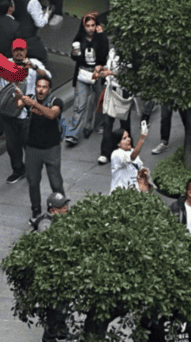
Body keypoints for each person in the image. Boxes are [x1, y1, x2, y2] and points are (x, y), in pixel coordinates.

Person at [0, 38, 52, 184]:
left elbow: (48, 78)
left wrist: (34, 68)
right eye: (16, 50)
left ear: (26, 50)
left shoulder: (34, 64)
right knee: (12, 146)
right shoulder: (5, 64)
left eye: (21, 50)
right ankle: (18, 170)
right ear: (12, 50)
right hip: (8, 112)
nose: (19, 53)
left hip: (27, 114)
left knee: (28, 144)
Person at [20, 77, 65, 222]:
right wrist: (17, 96)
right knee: (33, 182)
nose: (41, 89)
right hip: (32, 149)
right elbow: (15, 105)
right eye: (38, 86)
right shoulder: (29, 100)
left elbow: (52, 114)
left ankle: (61, 210)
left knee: (56, 183)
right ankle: (36, 211)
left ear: (49, 89)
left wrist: (33, 103)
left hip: (51, 149)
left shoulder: (56, 101)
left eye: (44, 87)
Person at [30, 192, 71, 342]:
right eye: (62, 206)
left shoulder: (59, 219)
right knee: (58, 305)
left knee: (65, 302)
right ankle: (47, 339)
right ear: (53, 209)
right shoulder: (46, 226)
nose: (66, 208)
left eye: (66, 204)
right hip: (52, 273)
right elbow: (49, 251)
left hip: (61, 269)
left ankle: (61, 331)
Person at [64, 12, 109, 145]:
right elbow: (74, 57)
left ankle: (96, 124)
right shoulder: (79, 39)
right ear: (83, 26)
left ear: (97, 26)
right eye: (87, 25)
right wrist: (75, 54)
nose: (90, 28)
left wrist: (101, 36)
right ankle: (72, 134)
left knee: (99, 101)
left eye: (93, 25)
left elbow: (103, 56)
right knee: (80, 105)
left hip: (97, 74)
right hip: (83, 74)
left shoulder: (101, 38)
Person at [95, 47, 133, 165]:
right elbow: (109, 68)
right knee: (107, 122)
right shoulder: (111, 51)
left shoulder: (129, 52)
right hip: (111, 90)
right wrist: (102, 69)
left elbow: (130, 69)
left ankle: (127, 150)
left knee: (124, 123)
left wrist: (110, 72)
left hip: (123, 91)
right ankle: (105, 153)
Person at [8, 0, 52, 64]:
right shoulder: (33, 1)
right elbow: (40, 23)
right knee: (42, 57)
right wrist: (47, 13)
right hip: (26, 36)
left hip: (10, 29)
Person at [109, 122, 149, 193]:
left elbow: (138, 165)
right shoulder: (116, 154)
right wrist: (142, 137)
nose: (129, 139)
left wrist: (143, 171)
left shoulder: (132, 151)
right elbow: (132, 157)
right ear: (118, 143)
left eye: (128, 136)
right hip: (120, 193)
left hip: (134, 191)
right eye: (124, 138)